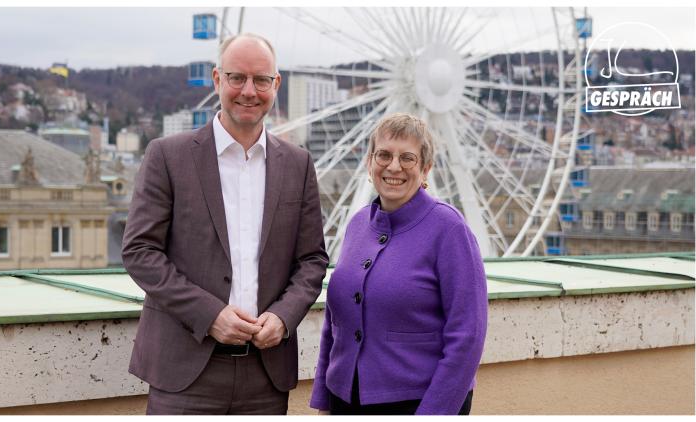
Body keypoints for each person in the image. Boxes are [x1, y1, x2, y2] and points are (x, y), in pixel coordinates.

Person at [122, 33, 328, 415]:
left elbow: (313, 260)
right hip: (185, 371)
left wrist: (283, 318)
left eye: (261, 80)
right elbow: (139, 251)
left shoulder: (298, 165)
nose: (249, 91)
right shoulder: (168, 156)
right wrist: (210, 315)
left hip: (266, 375)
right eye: (237, 78)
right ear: (217, 80)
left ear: (275, 85)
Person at [309, 113, 488, 415]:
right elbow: (335, 323)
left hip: (415, 403)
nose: (394, 166)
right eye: (384, 155)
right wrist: (324, 401)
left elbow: (468, 335)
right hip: (345, 399)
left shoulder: (448, 229)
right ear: (369, 162)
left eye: (408, 158)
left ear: (426, 168)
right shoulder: (357, 225)